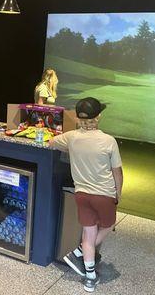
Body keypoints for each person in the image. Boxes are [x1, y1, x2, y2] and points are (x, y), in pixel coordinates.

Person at [49, 97, 123, 293]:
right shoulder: (109, 141)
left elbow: (51, 142)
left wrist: (70, 146)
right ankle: (79, 251)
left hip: (82, 195)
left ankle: (90, 277)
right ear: (98, 117)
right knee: (108, 225)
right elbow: (117, 172)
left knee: (88, 234)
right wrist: (118, 193)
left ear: (77, 118)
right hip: (104, 194)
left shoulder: (71, 137)